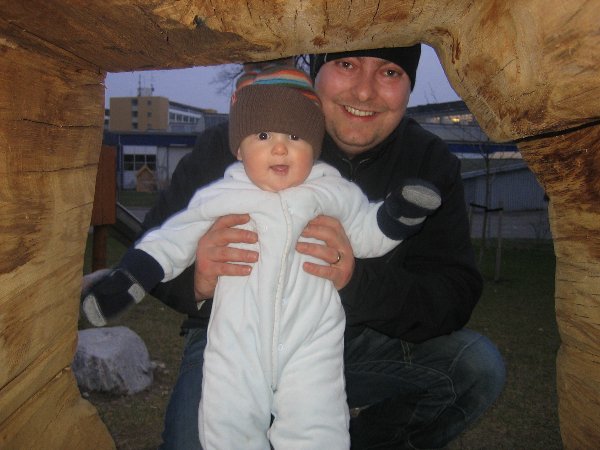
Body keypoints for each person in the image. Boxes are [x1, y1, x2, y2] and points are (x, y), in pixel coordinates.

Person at [133, 45, 506, 450]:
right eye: (346, 64)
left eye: (390, 73)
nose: (364, 92)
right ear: (316, 71)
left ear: (409, 86)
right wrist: (198, 279)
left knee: (476, 367)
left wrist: (356, 280)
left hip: (353, 343)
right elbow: (150, 248)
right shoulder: (240, 136)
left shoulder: (429, 163)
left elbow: (454, 294)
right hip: (233, 343)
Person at [81, 66, 441, 449]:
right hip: (238, 340)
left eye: (296, 137)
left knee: (317, 425)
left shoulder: (332, 191)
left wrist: (396, 215)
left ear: (314, 148)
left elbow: (367, 231)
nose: (280, 148)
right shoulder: (220, 195)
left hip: (311, 340)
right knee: (229, 424)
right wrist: (128, 280)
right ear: (240, 149)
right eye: (264, 136)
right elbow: (170, 240)